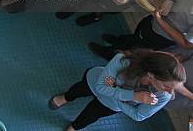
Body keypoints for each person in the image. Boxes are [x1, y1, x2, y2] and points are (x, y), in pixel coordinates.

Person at [49, 50, 185, 130]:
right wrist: (132, 96)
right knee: (78, 90)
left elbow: (138, 116)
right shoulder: (123, 61)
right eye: (167, 86)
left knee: (91, 115)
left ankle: (74, 127)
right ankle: (66, 97)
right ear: (151, 75)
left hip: (110, 104)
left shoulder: (164, 96)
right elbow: (100, 87)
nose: (170, 91)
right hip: (93, 81)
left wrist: (116, 91)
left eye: (175, 87)